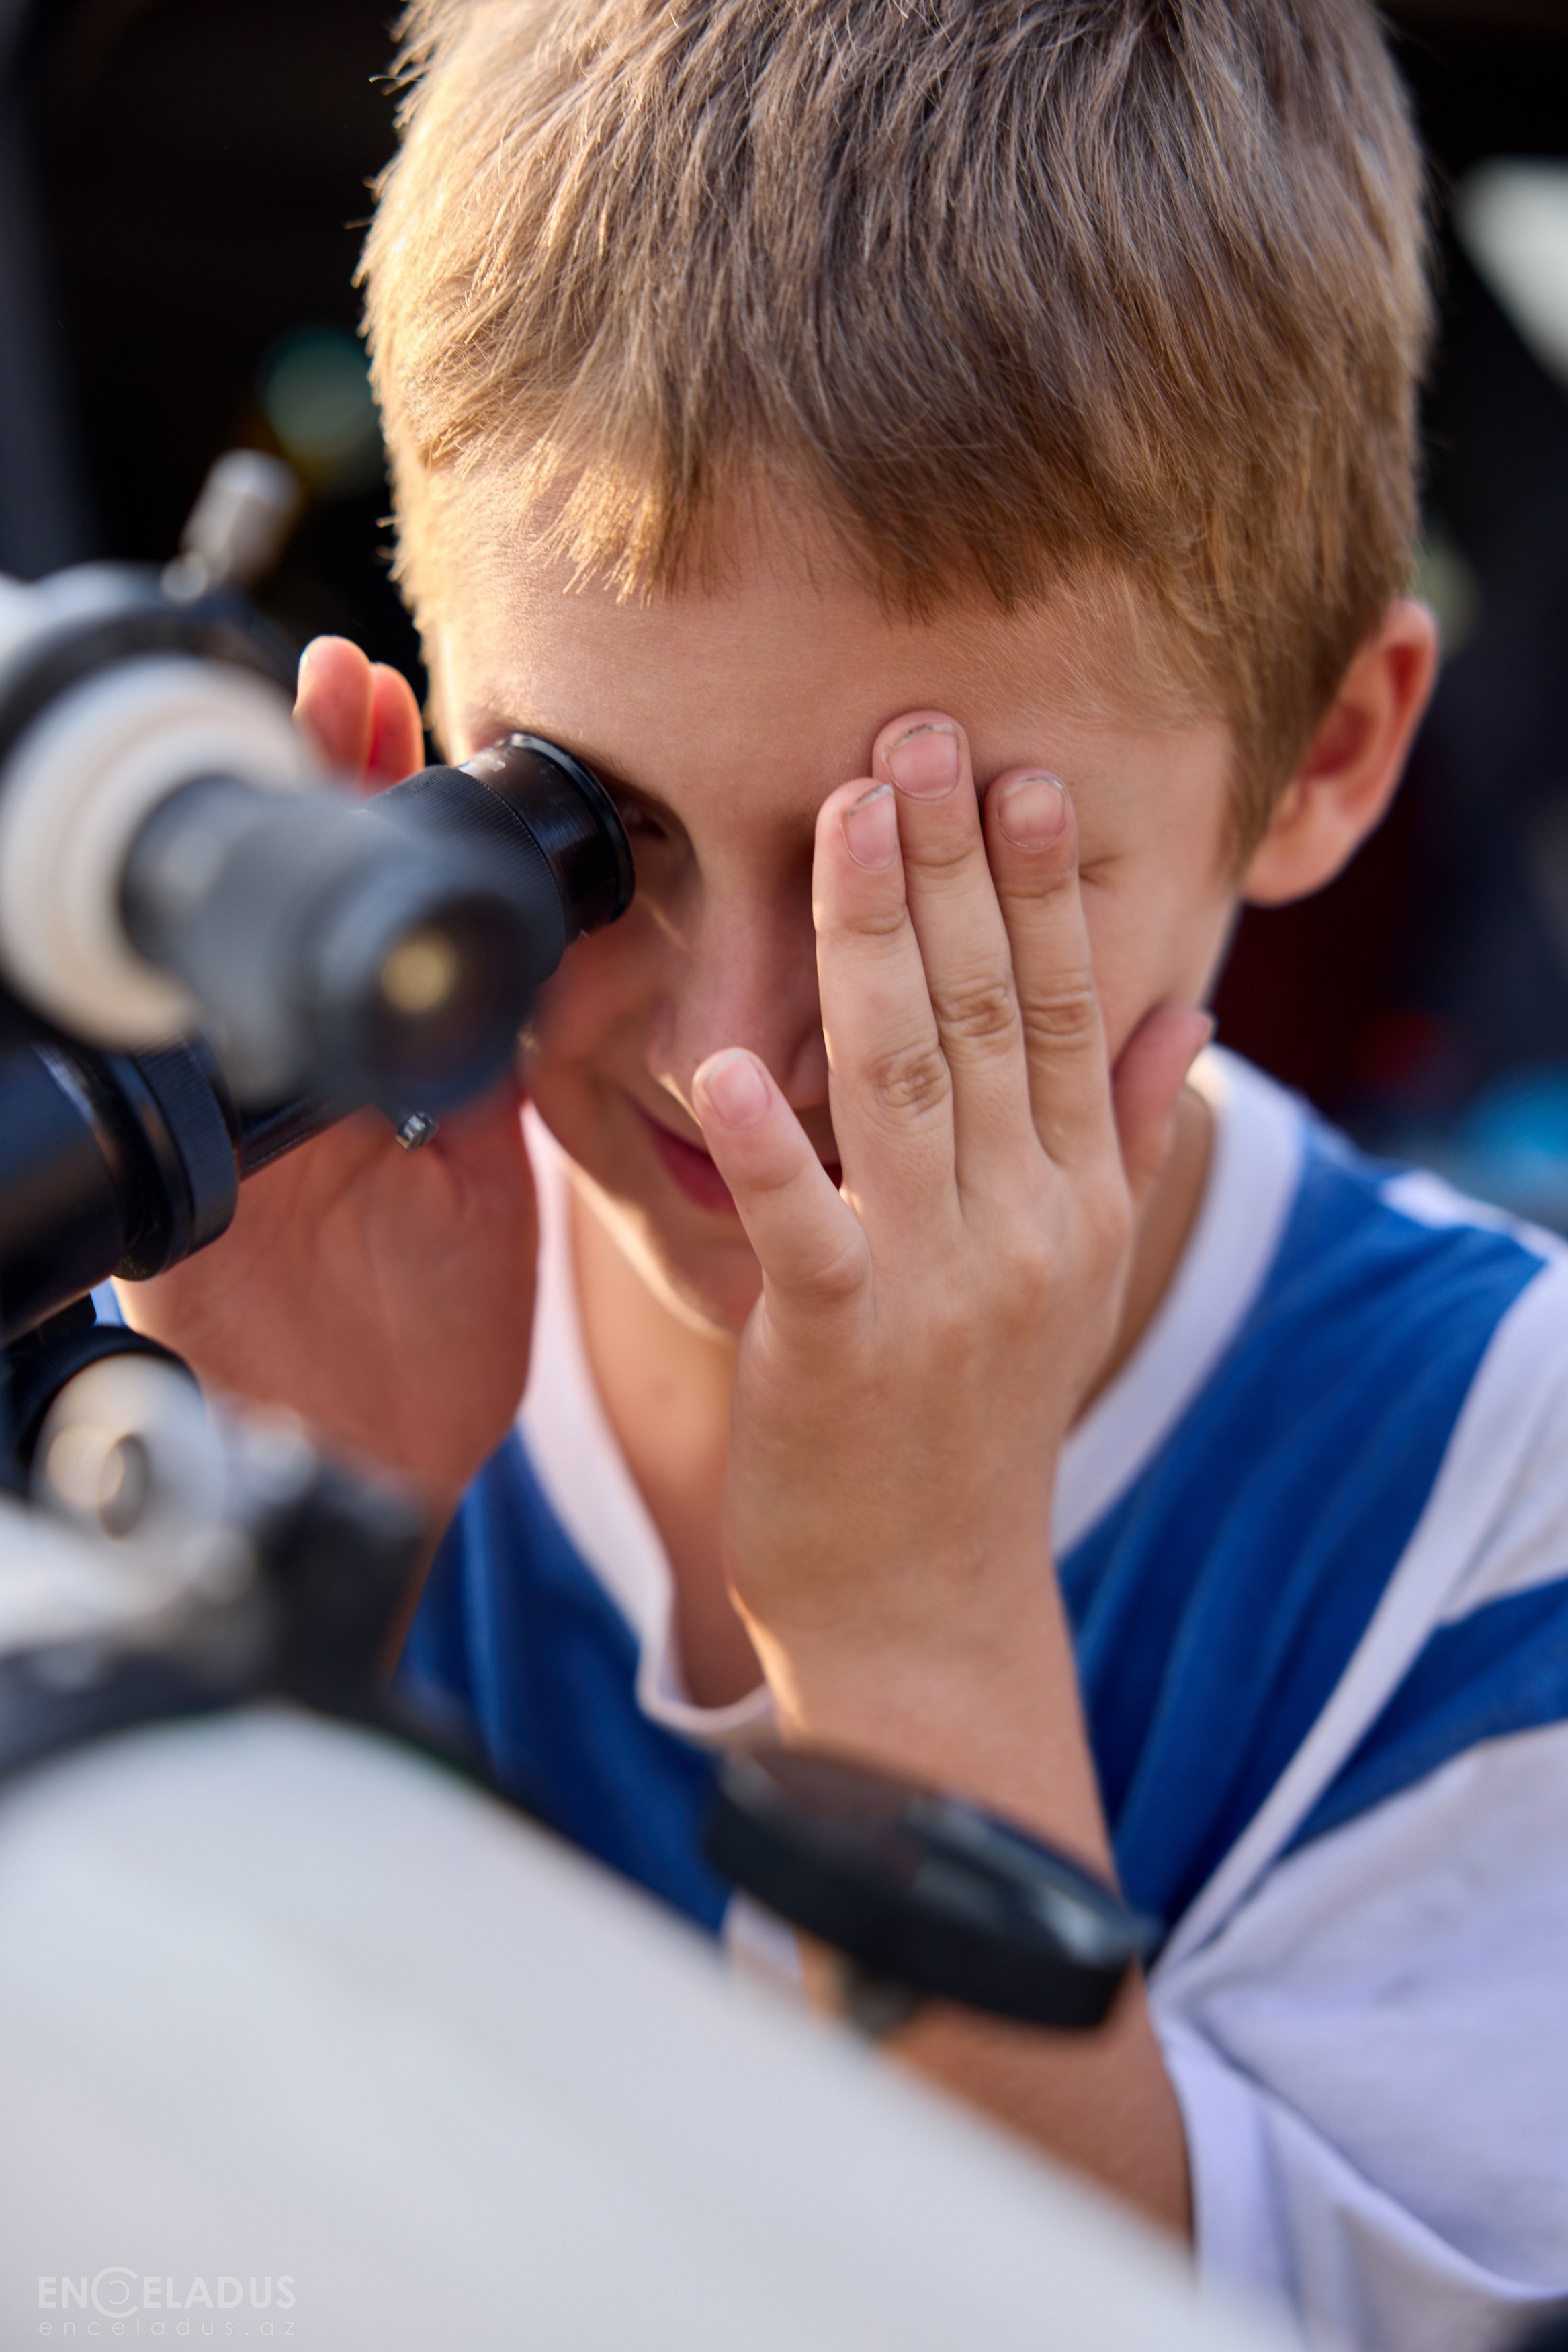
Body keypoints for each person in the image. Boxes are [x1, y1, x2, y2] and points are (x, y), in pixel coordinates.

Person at [125, 2, 1568, 2343]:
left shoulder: (1493, 1496)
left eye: (937, 888)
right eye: (593, 833)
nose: (732, 1065)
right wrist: (284, 1549)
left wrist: (913, 1649)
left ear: (1326, 754)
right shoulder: (236, 1320)